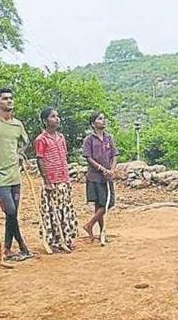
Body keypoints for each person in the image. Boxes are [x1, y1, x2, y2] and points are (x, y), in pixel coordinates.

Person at [0, 88, 34, 262]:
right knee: (9, 210)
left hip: (14, 175)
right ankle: (22, 245)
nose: (9, 101)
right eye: (4, 99)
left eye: (11, 98)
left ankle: (8, 249)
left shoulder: (17, 124)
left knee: (13, 213)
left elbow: (26, 142)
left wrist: (20, 153)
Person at [34, 107, 79, 252]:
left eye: (57, 116)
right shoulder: (41, 140)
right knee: (52, 211)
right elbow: (40, 160)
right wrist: (47, 181)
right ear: (45, 121)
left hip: (63, 179)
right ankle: (54, 240)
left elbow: (64, 157)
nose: (57, 119)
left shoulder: (61, 137)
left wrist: (66, 178)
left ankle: (66, 238)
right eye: (53, 116)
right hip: (52, 181)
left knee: (65, 210)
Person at [81, 112, 118, 242]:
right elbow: (88, 158)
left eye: (103, 118)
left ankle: (93, 228)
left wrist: (112, 170)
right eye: (100, 119)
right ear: (93, 124)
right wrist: (102, 169)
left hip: (107, 177)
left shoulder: (109, 138)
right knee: (100, 204)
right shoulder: (89, 140)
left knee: (108, 202)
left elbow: (114, 155)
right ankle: (96, 229)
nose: (103, 121)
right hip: (94, 176)